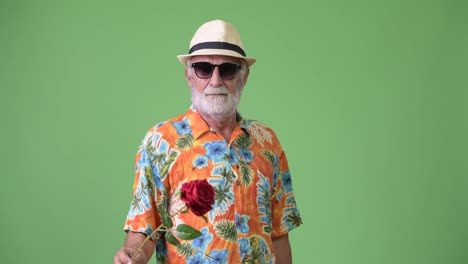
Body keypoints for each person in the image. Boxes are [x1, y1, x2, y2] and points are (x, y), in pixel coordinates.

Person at [114, 20, 302, 264]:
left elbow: (278, 234)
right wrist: (131, 256)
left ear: (243, 76)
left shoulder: (267, 142)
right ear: (189, 75)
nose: (215, 81)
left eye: (227, 70)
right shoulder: (161, 142)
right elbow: (143, 227)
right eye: (204, 68)